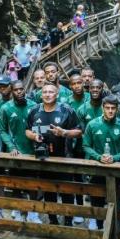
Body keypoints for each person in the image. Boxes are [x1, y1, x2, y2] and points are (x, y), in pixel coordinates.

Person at [25, 83, 83, 225]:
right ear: (41, 94)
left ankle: (68, 221)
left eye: (51, 92)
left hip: (64, 158)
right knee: (48, 191)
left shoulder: (66, 110)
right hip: (43, 158)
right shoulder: (34, 111)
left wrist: (64, 132)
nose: (48, 94)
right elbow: (26, 130)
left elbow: (80, 131)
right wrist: (34, 137)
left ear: (57, 94)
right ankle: (53, 220)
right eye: (45, 92)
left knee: (67, 192)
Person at [82, 96, 120, 229]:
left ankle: (115, 226)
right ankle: (99, 226)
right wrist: (98, 157)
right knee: (96, 199)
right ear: (102, 108)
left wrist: (115, 158)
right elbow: (86, 145)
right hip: (97, 169)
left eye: (113, 108)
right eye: (107, 108)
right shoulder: (92, 124)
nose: (110, 111)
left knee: (116, 199)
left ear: (117, 109)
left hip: (116, 169)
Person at [0, 80, 37, 157]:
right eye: (15, 90)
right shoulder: (5, 108)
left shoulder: (34, 106)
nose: (19, 92)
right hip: (15, 152)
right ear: (11, 91)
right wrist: (11, 147)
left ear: (25, 89)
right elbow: (2, 130)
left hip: (33, 151)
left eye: (21, 89)